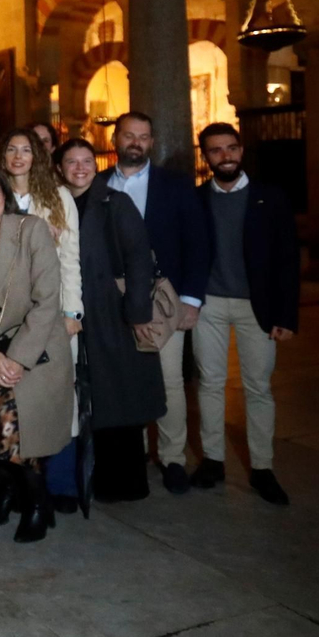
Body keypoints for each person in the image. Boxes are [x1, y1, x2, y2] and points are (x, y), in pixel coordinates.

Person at [97, 111, 210, 495]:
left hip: (163, 299)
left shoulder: (176, 186)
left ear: (152, 142)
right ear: (115, 139)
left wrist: (190, 301)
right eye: (129, 135)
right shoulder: (98, 184)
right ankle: (135, 456)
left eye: (143, 137)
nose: (136, 142)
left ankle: (172, 457)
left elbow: (197, 244)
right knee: (123, 379)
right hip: (111, 302)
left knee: (169, 380)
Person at [0, 165, 70, 542]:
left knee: (21, 432)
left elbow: (47, 300)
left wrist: (17, 359)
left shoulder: (31, 230)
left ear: (5, 196)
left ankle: (37, 502)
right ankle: (5, 489)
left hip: (37, 350)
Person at [192, 124, 299, 506]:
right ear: (205, 156)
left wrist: (286, 314)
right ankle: (213, 460)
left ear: (241, 150)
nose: (226, 156)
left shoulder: (270, 197)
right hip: (209, 304)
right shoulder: (197, 198)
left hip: (258, 306)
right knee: (210, 383)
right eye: (216, 150)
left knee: (258, 387)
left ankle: (263, 468)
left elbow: (287, 258)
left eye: (231, 148)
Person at [55, 138, 162, 503]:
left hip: (112, 315)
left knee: (119, 397)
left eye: (87, 160)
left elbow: (139, 259)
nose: (80, 168)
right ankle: (90, 477)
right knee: (89, 399)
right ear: (60, 168)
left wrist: (138, 313)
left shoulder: (115, 202)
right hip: (73, 314)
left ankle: (125, 484)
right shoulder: (57, 205)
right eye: (72, 161)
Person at [0, 127, 83, 509]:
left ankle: (60, 485)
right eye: (11, 149)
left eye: (26, 150)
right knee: (16, 400)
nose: (19, 157)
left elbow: (71, 258)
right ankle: (23, 486)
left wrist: (72, 312)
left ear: (37, 156)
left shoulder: (58, 196)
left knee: (59, 397)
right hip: (10, 314)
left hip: (53, 311)